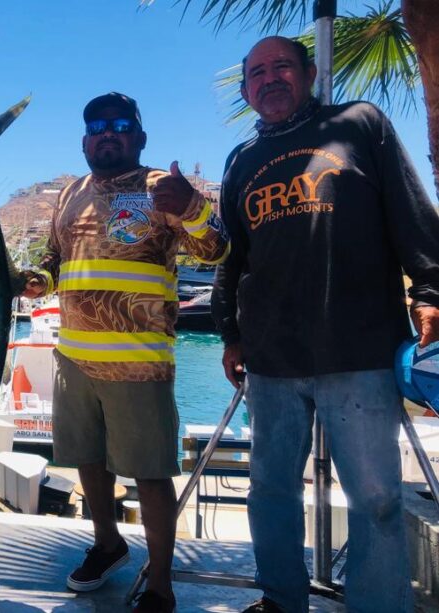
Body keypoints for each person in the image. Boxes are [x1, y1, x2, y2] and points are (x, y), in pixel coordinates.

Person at [211, 36, 439, 613]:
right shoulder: (241, 161)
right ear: (245, 91)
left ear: (309, 73)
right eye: (257, 73)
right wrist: (228, 332)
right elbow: (233, 258)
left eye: (282, 66)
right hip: (271, 356)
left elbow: (413, 213)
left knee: (378, 499)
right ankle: (281, 599)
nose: (270, 79)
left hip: (358, 348)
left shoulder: (360, 123)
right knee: (270, 493)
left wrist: (431, 290)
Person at [23, 92, 229, 612]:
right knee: (88, 462)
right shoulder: (70, 192)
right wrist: (37, 279)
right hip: (72, 357)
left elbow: (218, 249)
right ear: (85, 139)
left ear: (138, 136)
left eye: (119, 124)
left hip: (139, 361)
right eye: (96, 125)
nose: (106, 132)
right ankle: (108, 543)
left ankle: (160, 584)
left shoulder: (162, 186)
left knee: (151, 473)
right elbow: (54, 259)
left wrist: (194, 210)